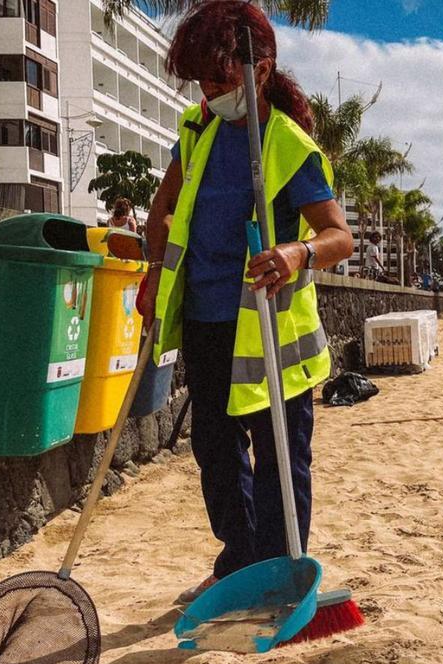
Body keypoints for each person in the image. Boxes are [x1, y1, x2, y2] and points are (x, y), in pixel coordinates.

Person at [138, 0, 353, 605]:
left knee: (282, 457)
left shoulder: (289, 145)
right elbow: (161, 214)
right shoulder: (197, 129)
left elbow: (339, 236)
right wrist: (155, 273)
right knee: (214, 449)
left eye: (221, 80)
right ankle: (237, 563)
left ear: (260, 71)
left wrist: (295, 254)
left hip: (270, 333)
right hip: (206, 320)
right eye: (202, 81)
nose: (210, 92)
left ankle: (282, 574)